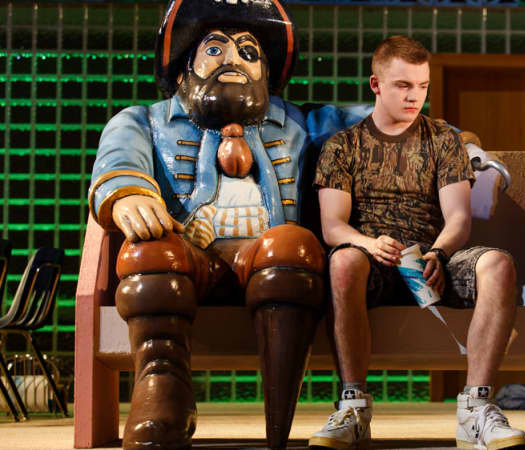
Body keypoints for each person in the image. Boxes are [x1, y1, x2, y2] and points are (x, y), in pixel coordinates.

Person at [88, 1, 365, 448]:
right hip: (188, 254)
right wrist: (128, 193)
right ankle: (163, 393)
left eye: (249, 53)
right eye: (215, 49)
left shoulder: (298, 122)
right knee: (148, 253)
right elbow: (119, 156)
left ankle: (280, 421)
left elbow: (381, 121)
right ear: (183, 72)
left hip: (264, 257)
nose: (234, 59)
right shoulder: (146, 120)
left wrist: (451, 141)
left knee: (294, 247)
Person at [310, 35, 525, 450]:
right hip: (371, 259)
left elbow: (459, 218)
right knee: (342, 261)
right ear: (375, 85)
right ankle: (353, 406)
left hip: (433, 260)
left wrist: (439, 252)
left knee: (498, 263)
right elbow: (333, 226)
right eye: (403, 86)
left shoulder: (443, 140)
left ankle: (477, 409)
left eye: (422, 86)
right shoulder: (342, 146)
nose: (415, 97)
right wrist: (369, 244)